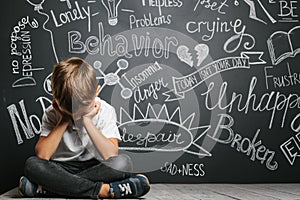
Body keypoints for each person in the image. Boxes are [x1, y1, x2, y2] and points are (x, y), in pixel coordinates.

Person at [18, 57, 150, 199]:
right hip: (61, 167)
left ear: (96, 92)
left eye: (83, 109)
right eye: (71, 111)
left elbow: (110, 154)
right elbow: (43, 155)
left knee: (123, 163)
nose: (77, 115)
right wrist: (64, 119)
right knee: (32, 165)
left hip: (95, 166)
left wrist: (87, 121)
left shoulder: (105, 111)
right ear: (56, 100)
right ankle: (103, 191)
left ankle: (52, 188)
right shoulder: (52, 112)